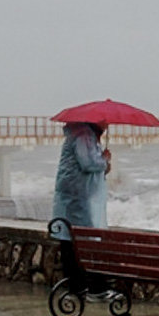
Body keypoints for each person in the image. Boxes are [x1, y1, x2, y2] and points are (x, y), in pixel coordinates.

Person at [51, 122, 114, 299]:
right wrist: (105, 159)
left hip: (73, 199)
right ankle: (94, 288)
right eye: (104, 123)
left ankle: (77, 287)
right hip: (78, 200)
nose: (106, 126)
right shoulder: (84, 135)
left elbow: (86, 166)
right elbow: (88, 163)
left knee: (71, 242)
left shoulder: (82, 135)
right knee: (85, 242)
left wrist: (103, 165)